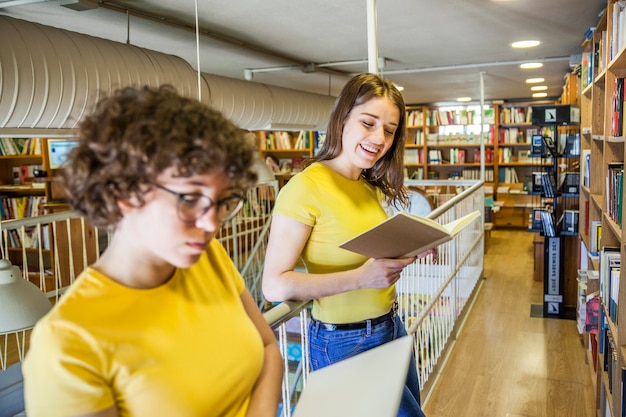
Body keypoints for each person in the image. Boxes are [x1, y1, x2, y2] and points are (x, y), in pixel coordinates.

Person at [23, 85, 283, 417]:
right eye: (190, 199)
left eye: (223, 202)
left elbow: (267, 347)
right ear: (124, 191)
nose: (211, 223)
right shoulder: (68, 343)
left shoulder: (210, 257)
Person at [262, 73, 426, 417]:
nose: (379, 138)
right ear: (342, 119)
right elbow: (275, 284)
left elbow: (363, 251)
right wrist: (362, 279)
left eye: (389, 130)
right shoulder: (305, 187)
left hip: (391, 325)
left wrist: (415, 244)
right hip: (346, 341)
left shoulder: (367, 185)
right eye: (368, 123)